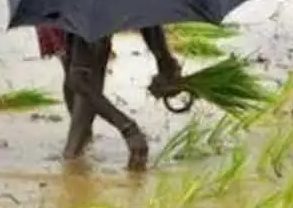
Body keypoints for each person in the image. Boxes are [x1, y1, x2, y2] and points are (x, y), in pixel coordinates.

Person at [35, 24, 182, 171]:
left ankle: (78, 148)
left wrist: (166, 64)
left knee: (80, 63)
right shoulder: (89, 19)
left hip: (79, 18)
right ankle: (73, 159)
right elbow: (79, 79)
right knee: (84, 66)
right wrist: (129, 129)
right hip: (69, 17)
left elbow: (146, 15)